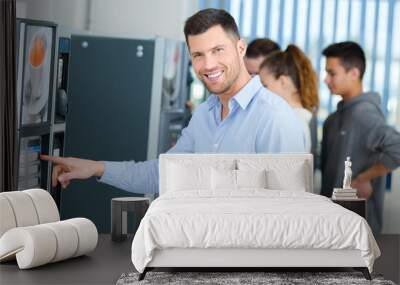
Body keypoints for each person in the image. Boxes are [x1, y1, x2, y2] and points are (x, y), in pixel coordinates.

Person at [41, 9, 305, 194]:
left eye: (218, 50)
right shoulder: (205, 114)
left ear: (240, 48)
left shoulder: (274, 118)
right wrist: (95, 168)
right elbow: (163, 173)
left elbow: (289, 211)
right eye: (198, 54)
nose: (208, 64)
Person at [320, 41, 400, 234]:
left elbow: (397, 147)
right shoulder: (334, 119)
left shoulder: (364, 114)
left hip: (357, 231)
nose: (326, 80)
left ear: (354, 73)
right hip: (331, 226)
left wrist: (364, 179)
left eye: (332, 73)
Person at [258, 44, 319, 152]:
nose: (260, 91)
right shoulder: (300, 117)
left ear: (283, 82)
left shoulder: (287, 121)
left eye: (264, 85)